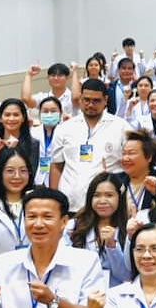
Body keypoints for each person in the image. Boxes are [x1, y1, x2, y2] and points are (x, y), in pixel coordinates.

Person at [52, 79, 127, 211]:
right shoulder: (64, 128)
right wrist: (53, 200)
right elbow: (57, 166)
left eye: (96, 101)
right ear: (80, 99)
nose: (90, 104)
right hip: (70, 203)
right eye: (86, 100)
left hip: (106, 205)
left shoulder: (121, 127)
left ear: (105, 100)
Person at [70, 172, 134, 285]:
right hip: (79, 292)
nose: (102, 201)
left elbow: (126, 275)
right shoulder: (74, 226)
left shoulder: (128, 229)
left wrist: (111, 245)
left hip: (114, 295)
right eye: (97, 195)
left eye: (109, 195)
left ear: (120, 197)